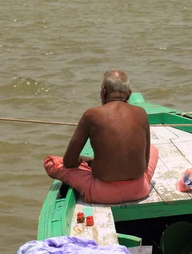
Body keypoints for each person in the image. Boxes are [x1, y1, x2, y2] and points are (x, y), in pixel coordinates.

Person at [43, 70, 158, 203]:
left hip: (102, 193)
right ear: (129, 94)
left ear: (103, 92)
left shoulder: (91, 114)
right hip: (139, 190)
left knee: (51, 162)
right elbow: (145, 162)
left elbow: (69, 162)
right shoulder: (142, 113)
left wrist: (83, 161)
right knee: (153, 149)